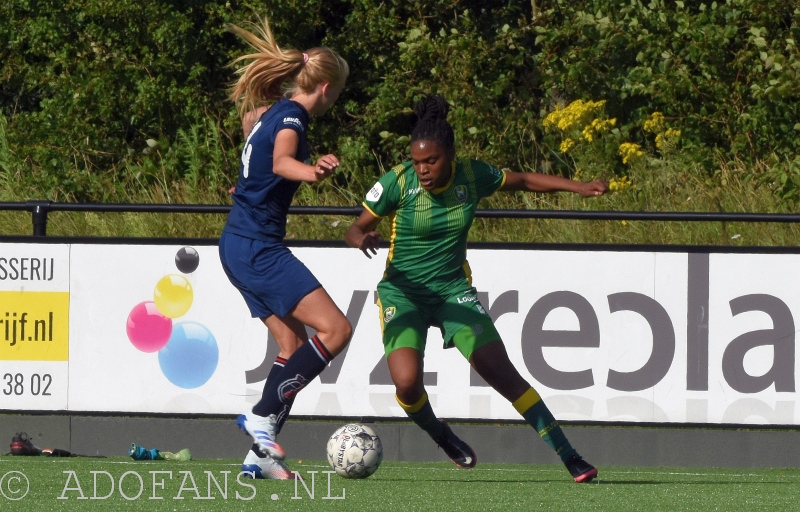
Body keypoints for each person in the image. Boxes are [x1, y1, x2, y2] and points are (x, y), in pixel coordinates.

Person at [345, 94, 607, 483]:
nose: (423, 170)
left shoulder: (472, 175)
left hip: (453, 291)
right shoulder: (398, 182)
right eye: (417, 162)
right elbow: (355, 226)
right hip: (403, 293)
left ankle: (570, 455)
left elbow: (524, 180)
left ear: (449, 154)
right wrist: (360, 238)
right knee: (405, 381)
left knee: (501, 373)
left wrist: (579, 187)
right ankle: (441, 434)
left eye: (431, 161)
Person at [219, 16, 352, 480]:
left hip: (238, 244)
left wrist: (251, 182)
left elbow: (250, 127)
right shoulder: (293, 116)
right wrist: (311, 171)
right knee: (336, 331)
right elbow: (281, 160)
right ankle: (262, 416)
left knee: (291, 343)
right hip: (258, 248)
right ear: (327, 88)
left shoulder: (270, 111)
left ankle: (260, 458)